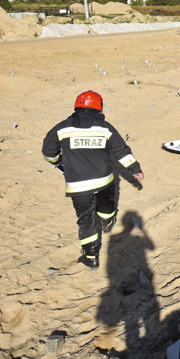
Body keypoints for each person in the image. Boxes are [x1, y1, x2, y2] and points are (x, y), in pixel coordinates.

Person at [42, 91, 144, 269]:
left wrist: (59, 164)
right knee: (106, 206)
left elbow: (48, 152)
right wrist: (135, 169)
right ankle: (106, 222)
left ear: (77, 106)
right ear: (99, 107)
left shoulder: (62, 128)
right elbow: (121, 150)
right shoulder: (104, 127)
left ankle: (91, 258)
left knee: (86, 220)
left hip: (77, 185)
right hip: (104, 180)